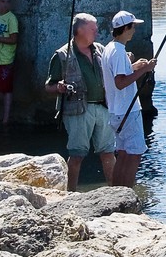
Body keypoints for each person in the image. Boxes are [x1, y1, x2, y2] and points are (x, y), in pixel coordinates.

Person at [43, 13, 116, 191]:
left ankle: (116, 191)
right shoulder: (62, 55)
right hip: (78, 111)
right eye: (93, 28)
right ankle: (71, 193)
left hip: (103, 107)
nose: (97, 31)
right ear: (80, 30)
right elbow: (48, 86)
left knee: (108, 153)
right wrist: (58, 87)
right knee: (77, 155)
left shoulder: (99, 49)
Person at [103, 11, 156, 187]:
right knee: (134, 154)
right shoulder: (118, 52)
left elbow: (117, 75)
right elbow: (120, 82)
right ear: (125, 28)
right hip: (127, 111)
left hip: (116, 112)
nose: (134, 30)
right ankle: (127, 193)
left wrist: (134, 66)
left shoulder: (110, 48)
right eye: (133, 27)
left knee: (124, 154)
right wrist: (145, 69)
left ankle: (117, 192)